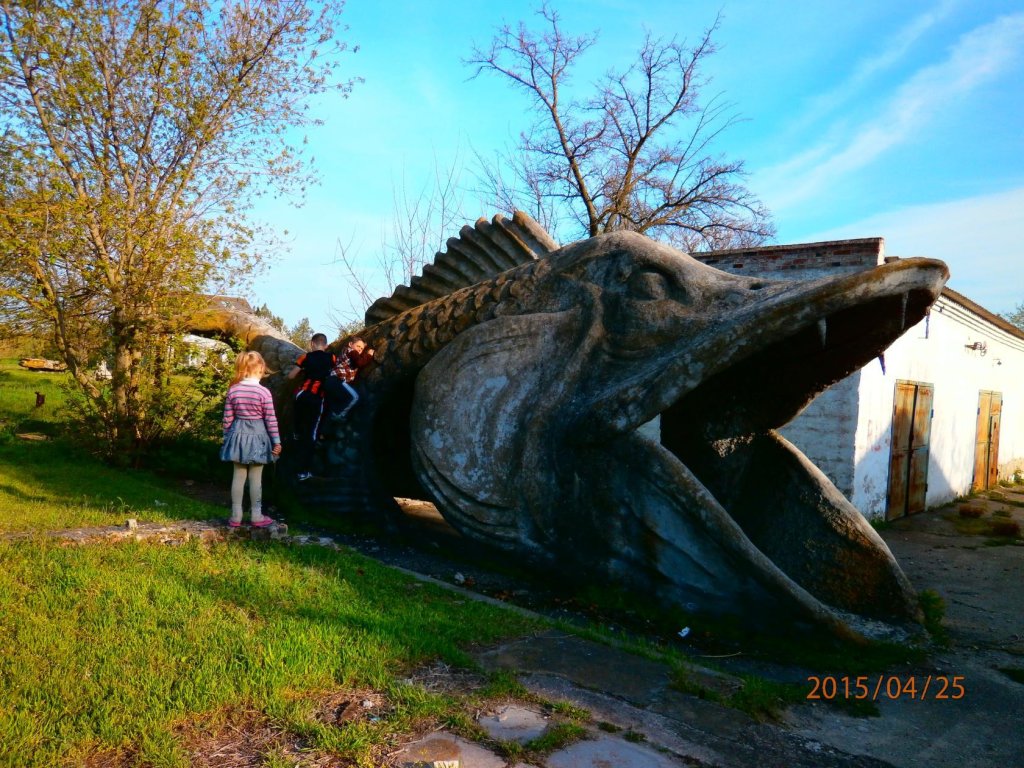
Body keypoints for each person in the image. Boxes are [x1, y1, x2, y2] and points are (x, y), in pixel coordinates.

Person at [220, 351, 281, 528]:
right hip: (258, 437)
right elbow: (270, 418)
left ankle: (235, 516)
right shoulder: (264, 392)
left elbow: (227, 418)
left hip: (237, 436)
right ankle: (256, 515)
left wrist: (226, 439)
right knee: (256, 478)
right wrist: (276, 441)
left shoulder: (233, 390)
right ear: (261, 368)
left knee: (238, 477)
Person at [287, 332, 336, 480]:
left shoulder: (305, 357)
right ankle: (303, 471)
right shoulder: (331, 357)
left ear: (312, 344)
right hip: (318, 398)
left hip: (302, 395)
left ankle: (296, 431)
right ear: (326, 345)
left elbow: (291, 376)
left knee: (299, 427)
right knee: (311, 435)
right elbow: (334, 375)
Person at [324, 336, 375, 419]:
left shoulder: (345, 352)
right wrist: (369, 355)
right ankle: (338, 415)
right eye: (358, 346)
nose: (359, 349)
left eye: (362, 349)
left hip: (331, 381)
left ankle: (331, 418)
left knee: (335, 403)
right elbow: (360, 362)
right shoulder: (351, 351)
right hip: (337, 380)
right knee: (354, 397)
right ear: (350, 344)